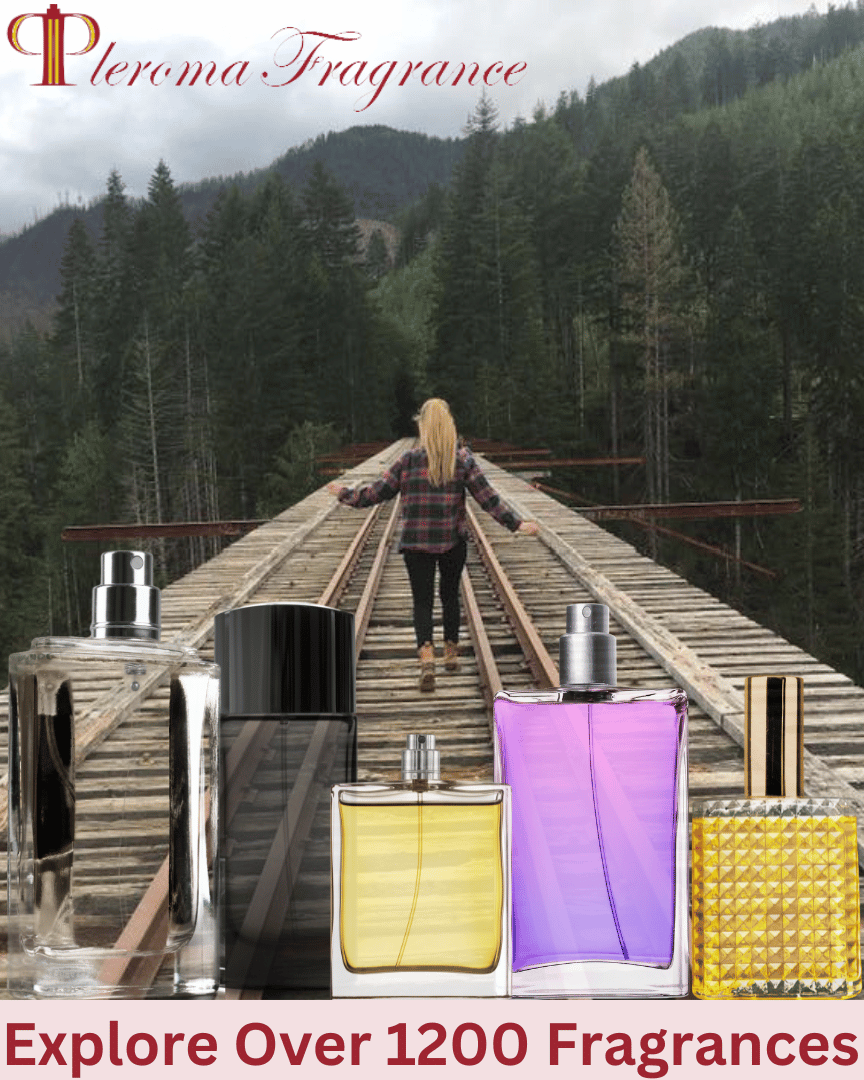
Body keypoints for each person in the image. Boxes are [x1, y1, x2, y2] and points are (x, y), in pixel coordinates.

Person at [326, 398, 539, 692]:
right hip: (452, 542)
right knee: (450, 596)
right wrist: (517, 524)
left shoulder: (408, 461)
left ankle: (427, 658)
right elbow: (488, 498)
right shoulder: (462, 460)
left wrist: (344, 494)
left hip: (416, 544)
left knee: (422, 602)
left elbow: (374, 494)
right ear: (449, 425)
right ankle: (450, 653)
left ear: (423, 427)